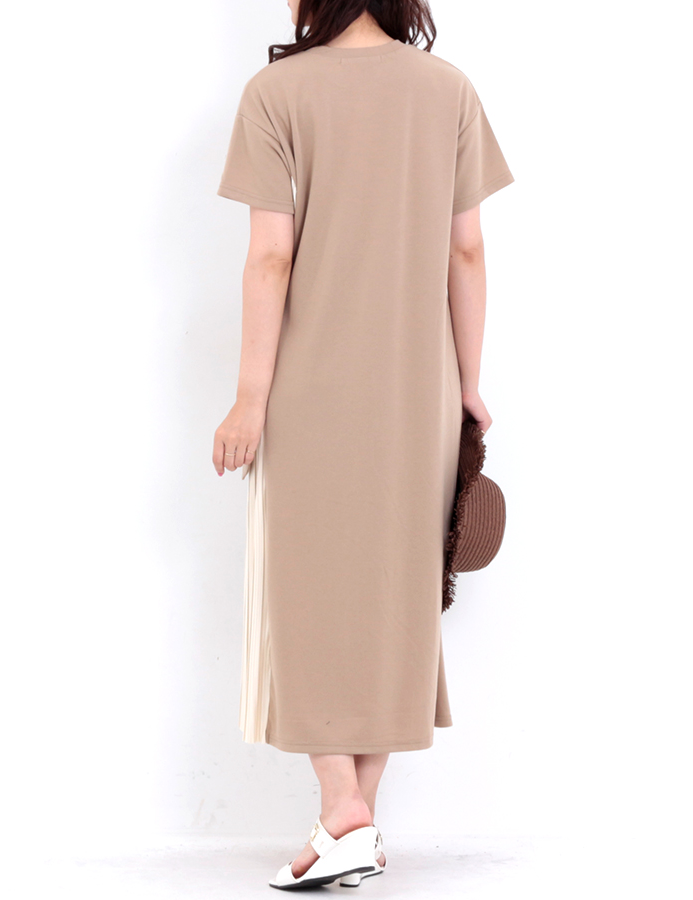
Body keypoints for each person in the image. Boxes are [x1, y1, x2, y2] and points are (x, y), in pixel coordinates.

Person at [212, 0, 514, 889]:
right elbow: (467, 251)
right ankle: (352, 819)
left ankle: (343, 812)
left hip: (310, 388)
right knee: (394, 599)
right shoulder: (448, 90)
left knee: (307, 595)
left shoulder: (277, 93)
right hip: (420, 387)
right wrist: (466, 383)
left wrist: (248, 401)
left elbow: (271, 256)